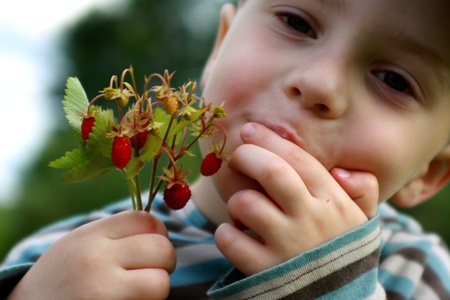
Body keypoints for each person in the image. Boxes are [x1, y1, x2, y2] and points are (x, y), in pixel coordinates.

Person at [2, 0, 450, 298]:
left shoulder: (415, 273)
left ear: (427, 175)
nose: (319, 82)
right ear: (218, 47)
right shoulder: (60, 261)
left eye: (394, 80)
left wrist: (331, 285)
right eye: (297, 22)